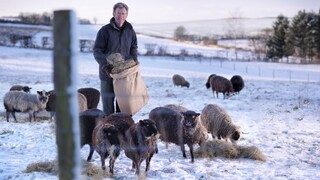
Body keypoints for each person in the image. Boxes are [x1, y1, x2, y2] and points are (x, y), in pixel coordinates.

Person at [93, 2, 138, 115]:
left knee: (122, 107)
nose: (121, 16)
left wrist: (134, 62)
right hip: (107, 74)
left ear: (127, 15)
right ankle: (107, 129)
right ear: (113, 14)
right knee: (108, 108)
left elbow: (133, 48)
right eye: (118, 13)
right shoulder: (104, 30)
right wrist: (105, 65)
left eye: (123, 13)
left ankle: (120, 130)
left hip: (124, 75)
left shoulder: (130, 31)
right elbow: (97, 51)